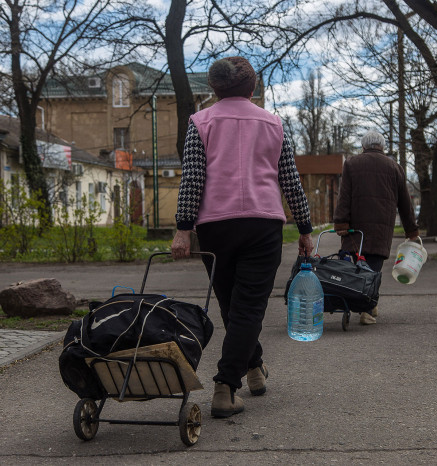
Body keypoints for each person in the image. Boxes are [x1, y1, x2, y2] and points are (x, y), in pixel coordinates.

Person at [171, 56, 314, 418]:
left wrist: (183, 229)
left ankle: (253, 370)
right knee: (247, 308)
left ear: (214, 89)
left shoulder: (200, 122)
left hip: (215, 227)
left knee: (233, 307)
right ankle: (226, 386)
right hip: (262, 224)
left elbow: (192, 179)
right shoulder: (274, 124)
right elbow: (290, 181)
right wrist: (306, 228)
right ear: (251, 89)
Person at [333, 130, 419, 325]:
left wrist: (341, 222)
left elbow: (344, 195)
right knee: (373, 269)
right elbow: (405, 203)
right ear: (382, 147)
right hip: (381, 229)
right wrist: (411, 231)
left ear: (363, 146)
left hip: (355, 229)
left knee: (353, 268)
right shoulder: (394, 167)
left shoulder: (352, 164)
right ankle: (369, 309)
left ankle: (354, 302)